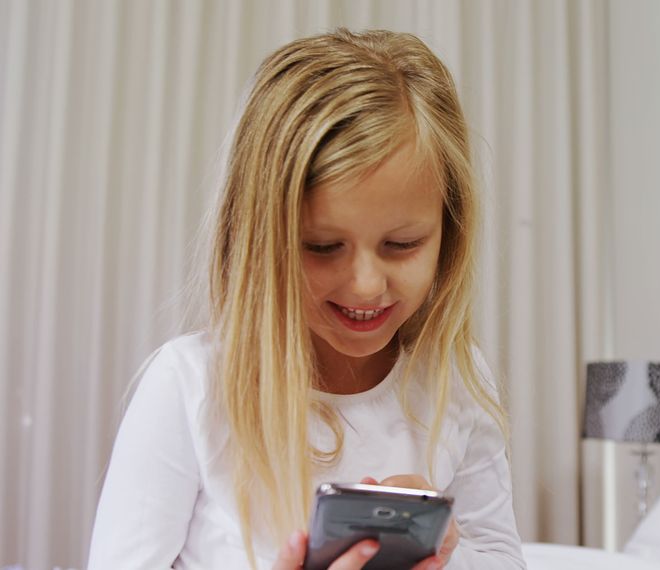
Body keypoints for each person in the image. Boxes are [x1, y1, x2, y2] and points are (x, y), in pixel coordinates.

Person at [87, 28, 524, 570]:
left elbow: (505, 557)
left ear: (449, 232)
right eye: (322, 247)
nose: (366, 284)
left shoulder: (456, 381)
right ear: (255, 238)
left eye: (402, 244)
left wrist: (445, 554)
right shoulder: (191, 387)